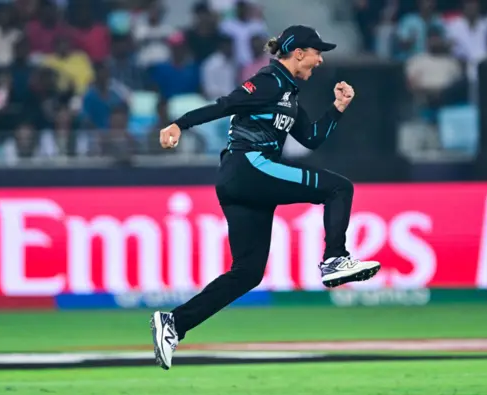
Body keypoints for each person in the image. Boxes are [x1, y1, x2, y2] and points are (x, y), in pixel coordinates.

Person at [151, 25, 381, 370]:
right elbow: (226, 104)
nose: (320, 60)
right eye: (317, 52)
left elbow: (312, 139)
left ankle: (174, 323)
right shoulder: (269, 80)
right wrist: (178, 126)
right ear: (298, 53)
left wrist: (337, 107)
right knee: (339, 188)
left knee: (248, 273)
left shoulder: (288, 93)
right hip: (250, 167)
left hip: (241, 179)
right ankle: (335, 258)